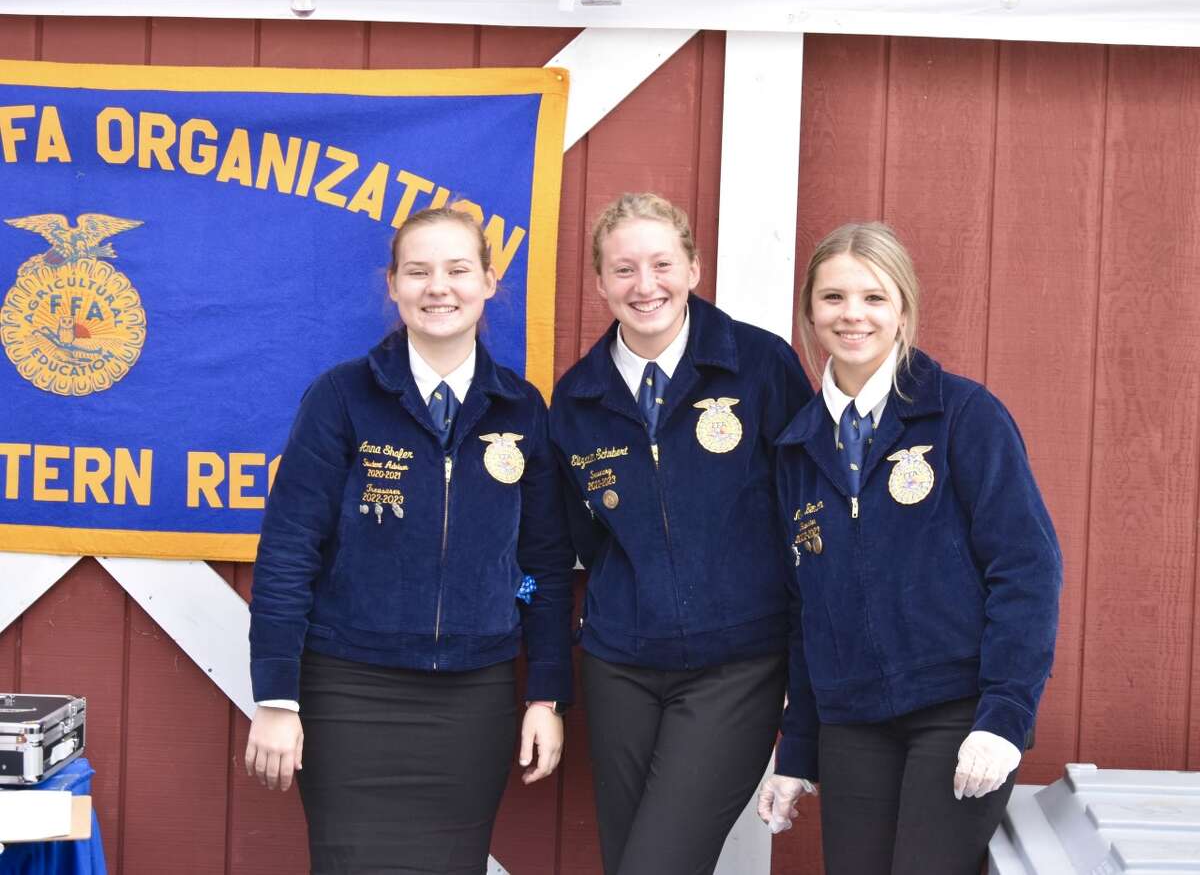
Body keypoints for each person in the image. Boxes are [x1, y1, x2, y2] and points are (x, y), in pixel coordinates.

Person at [243, 206, 574, 875]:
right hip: (347, 692)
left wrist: (545, 693)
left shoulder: (521, 409)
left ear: (488, 282)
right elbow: (287, 551)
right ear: (392, 285)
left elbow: (540, 567)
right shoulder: (342, 397)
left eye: (458, 269)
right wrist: (278, 698)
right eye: (418, 271)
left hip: (472, 698)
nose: (438, 287)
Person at [758, 221, 1062, 874]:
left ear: (903, 309)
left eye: (874, 297)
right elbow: (804, 613)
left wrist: (1004, 716)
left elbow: (1027, 569)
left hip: (956, 714)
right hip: (854, 723)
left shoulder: (963, 416)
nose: (852, 315)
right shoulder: (798, 449)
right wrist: (799, 751)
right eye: (834, 297)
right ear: (809, 310)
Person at [549, 192, 814, 875]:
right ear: (600, 282)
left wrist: (802, 665)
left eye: (663, 263)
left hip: (738, 666)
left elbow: (807, 523)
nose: (646, 285)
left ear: (694, 267)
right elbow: (585, 538)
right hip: (621, 667)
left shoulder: (760, 368)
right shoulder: (578, 398)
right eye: (625, 268)